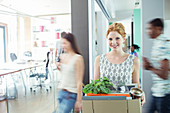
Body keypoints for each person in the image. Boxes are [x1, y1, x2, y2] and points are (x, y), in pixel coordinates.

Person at [94, 23, 145, 105]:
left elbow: (136, 87)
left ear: (123, 39)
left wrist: (141, 94)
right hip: (104, 105)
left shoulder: (134, 60)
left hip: (125, 105)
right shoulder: (99, 59)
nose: (113, 42)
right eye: (110, 39)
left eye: (117, 38)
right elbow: (95, 88)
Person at [143, 18, 170, 113]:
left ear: (158, 29)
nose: (147, 31)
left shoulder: (163, 44)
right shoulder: (157, 42)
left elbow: (164, 74)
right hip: (157, 90)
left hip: (164, 93)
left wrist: (149, 67)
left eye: (150, 28)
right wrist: (149, 65)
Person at [56, 32, 84, 113]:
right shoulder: (63, 56)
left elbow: (79, 81)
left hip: (71, 94)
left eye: (65, 43)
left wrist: (79, 101)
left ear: (71, 43)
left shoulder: (78, 58)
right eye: (62, 43)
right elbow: (67, 75)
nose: (62, 46)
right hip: (61, 92)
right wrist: (59, 68)